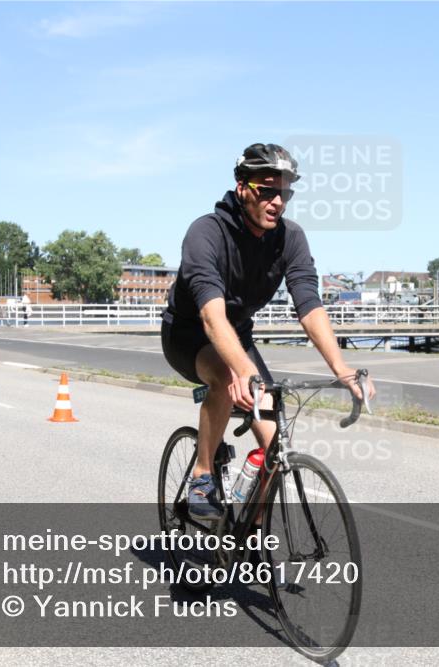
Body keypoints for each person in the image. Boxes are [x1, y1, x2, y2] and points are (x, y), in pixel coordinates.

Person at [161, 143, 376, 519]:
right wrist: (244, 372)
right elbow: (211, 318)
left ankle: (247, 537)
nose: (278, 200)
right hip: (188, 335)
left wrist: (341, 369)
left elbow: (309, 307)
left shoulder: (290, 238)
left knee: (275, 444)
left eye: (285, 192)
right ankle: (202, 474)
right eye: (267, 190)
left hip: (237, 339)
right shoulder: (206, 234)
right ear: (242, 187)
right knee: (227, 375)